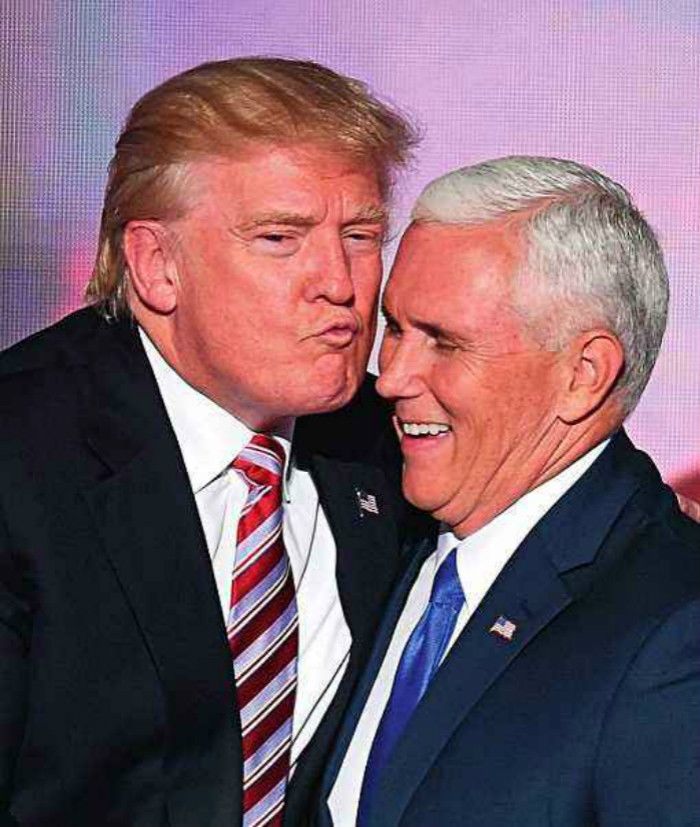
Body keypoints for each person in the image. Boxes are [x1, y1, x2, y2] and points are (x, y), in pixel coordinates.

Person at [0, 58, 419, 827]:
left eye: (360, 235)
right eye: (280, 238)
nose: (339, 282)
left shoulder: (394, 441)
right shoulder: (21, 457)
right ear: (158, 265)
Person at [320, 156, 700, 826]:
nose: (392, 376)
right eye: (396, 328)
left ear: (584, 375)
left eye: (444, 342)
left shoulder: (674, 624)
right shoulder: (369, 518)